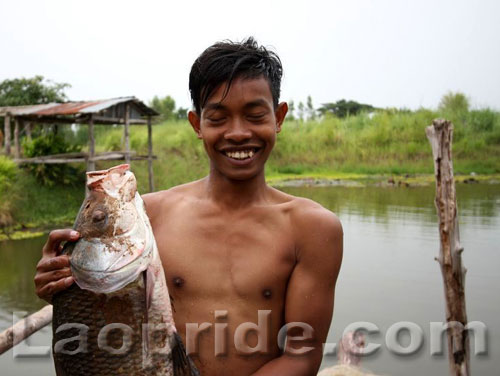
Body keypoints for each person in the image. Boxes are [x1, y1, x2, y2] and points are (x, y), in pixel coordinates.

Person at [34, 37, 343, 376]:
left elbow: (302, 357)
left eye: (255, 115)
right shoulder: (147, 216)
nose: (238, 133)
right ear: (197, 124)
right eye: (218, 118)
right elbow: (104, 317)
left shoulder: (312, 228)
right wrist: (64, 282)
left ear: (279, 117)